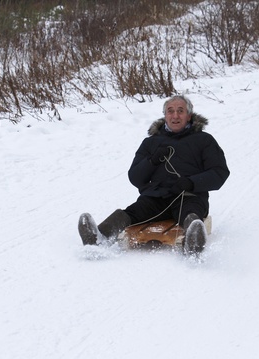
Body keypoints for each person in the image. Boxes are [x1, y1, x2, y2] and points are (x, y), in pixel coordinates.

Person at [78, 95, 230, 255]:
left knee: (191, 213)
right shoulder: (150, 143)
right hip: (156, 197)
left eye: (180, 111)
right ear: (165, 116)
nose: (175, 116)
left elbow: (219, 172)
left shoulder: (204, 140)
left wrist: (191, 182)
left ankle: (193, 241)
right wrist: (152, 161)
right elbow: (135, 177)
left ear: (189, 116)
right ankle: (98, 236)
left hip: (189, 195)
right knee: (134, 211)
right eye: (170, 111)